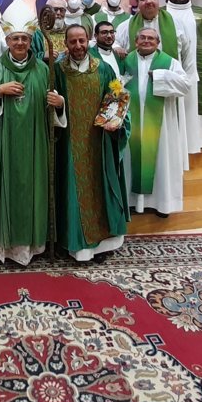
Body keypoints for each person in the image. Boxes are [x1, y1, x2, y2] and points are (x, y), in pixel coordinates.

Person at [0, 0, 66, 265]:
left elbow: (54, 107)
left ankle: (30, 246)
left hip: (35, 145)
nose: (20, 43)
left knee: (32, 191)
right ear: (8, 41)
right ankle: (1, 246)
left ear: (31, 41)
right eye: (15, 39)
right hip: (3, 143)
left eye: (25, 38)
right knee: (4, 189)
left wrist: (59, 104)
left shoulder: (44, 70)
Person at [54, 24, 129, 262]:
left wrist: (116, 121)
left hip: (99, 143)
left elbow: (116, 101)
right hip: (69, 144)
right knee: (71, 190)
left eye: (82, 41)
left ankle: (102, 244)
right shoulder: (57, 71)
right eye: (73, 42)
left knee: (100, 188)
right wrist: (59, 106)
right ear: (65, 43)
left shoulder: (104, 69)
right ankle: (74, 244)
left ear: (89, 41)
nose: (78, 46)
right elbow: (49, 106)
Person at [124, 27, 190, 217]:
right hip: (132, 121)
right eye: (143, 38)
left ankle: (162, 204)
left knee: (162, 161)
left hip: (161, 125)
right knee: (130, 161)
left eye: (151, 38)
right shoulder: (126, 60)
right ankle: (132, 202)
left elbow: (185, 85)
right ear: (136, 42)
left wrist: (160, 76)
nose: (146, 41)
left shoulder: (169, 62)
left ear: (158, 43)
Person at [163, 0, 202, 154]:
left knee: (192, 105)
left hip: (194, 68)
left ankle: (195, 141)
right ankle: (172, 143)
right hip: (170, 68)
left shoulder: (198, 13)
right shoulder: (163, 13)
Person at [115, 0, 183, 63]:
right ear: (137, 3)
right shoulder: (126, 25)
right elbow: (115, 43)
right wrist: (117, 47)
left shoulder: (176, 23)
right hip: (137, 70)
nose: (148, 1)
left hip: (169, 69)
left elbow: (187, 52)